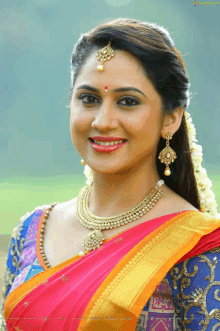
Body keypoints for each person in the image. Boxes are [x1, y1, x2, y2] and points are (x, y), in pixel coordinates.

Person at [1, 17, 220, 331]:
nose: (103, 121)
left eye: (127, 102)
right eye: (88, 99)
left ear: (170, 118)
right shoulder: (31, 230)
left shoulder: (198, 244)